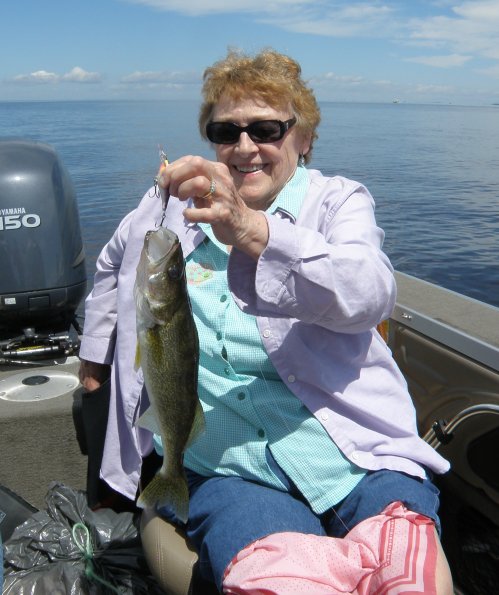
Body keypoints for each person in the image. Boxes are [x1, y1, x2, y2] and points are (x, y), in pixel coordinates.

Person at [79, 48, 453, 594]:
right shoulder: (169, 208)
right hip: (228, 465)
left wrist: (252, 230)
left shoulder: (337, 202)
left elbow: (370, 292)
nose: (245, 146)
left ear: (304, 138)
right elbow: (113, 263)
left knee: (407, 575)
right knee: (285, 579)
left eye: (266, 129)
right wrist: (94, 359)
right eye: (225, 131)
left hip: (351, 452)